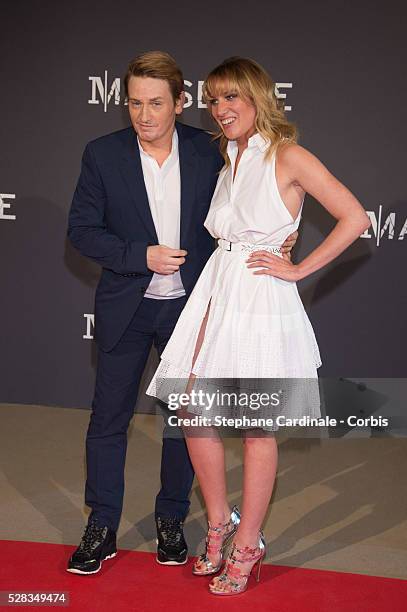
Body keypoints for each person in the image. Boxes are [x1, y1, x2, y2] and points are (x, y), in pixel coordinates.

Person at [66, 51, 298, 574]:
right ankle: (101, 524)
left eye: (155, 103)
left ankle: (171, 520)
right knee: (108, 421)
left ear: (180, 103)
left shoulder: (209, 150)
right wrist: (137, 257)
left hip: (193, 311)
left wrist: (288, 239)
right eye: (134, 103)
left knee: (184, 422)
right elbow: (81, 230)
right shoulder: (101, 155)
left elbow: (258, 203)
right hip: (127, 305)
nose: (144, 115)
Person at [146, 56, 371, 595]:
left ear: (257, 98)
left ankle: (248, 544)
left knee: (254, 427)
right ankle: (218, 522)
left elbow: (355, 216)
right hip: (218, 289)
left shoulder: (288, 155)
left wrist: (296, 267)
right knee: (193, 408)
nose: (221, 110)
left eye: (231, 98)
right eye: (214, 100)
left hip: (260, 296)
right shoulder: (230, 156)